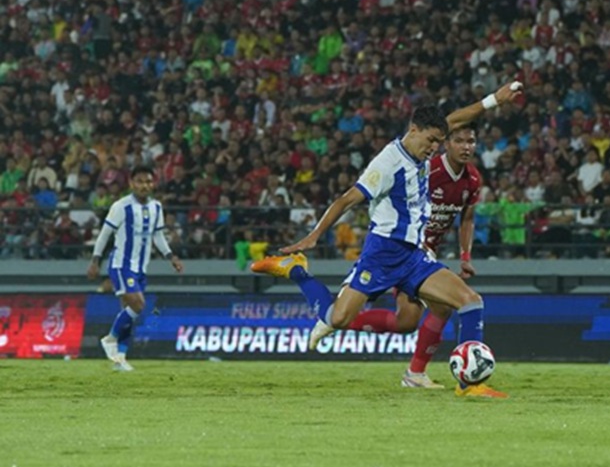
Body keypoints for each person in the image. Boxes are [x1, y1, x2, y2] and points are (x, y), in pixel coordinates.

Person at [251, 85, 522, 397]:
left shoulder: (424, 144)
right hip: (381, 254)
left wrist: (494, 101)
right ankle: (296, 270)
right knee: (335, 318)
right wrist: (313, 236)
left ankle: (470, 385)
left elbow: (460, 117)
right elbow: (346, 199)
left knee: (470, 301)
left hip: (415, 256)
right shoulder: (387, 164)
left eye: (439, 140)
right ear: (413, 130)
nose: (435, 147)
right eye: (431, 140)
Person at [347, 122, 500, 391]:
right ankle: (460, 381)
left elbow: (467, 218)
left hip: (424, 253)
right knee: (460, 303)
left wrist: (465, 256)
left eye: (471, 141)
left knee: (406, 321)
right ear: (446, 143)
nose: (466, 147)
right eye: (460, 141)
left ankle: (343, 320)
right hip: (406, 249)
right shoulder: (428, 170)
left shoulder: (472, 179)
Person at [87, 165, 184, 371]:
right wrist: (95, 260)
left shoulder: (157, 207)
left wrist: (170, 256)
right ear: (132, 183)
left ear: (153, 183)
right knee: (138, 304)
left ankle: (120, 359)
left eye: (148, 181)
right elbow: (105, 234)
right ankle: (110, 339)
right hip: (121, 264)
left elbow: (158, 236)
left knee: (129, 312)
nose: (144, 185)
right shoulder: (121, 206)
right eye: (139, 181)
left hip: (141, 267)